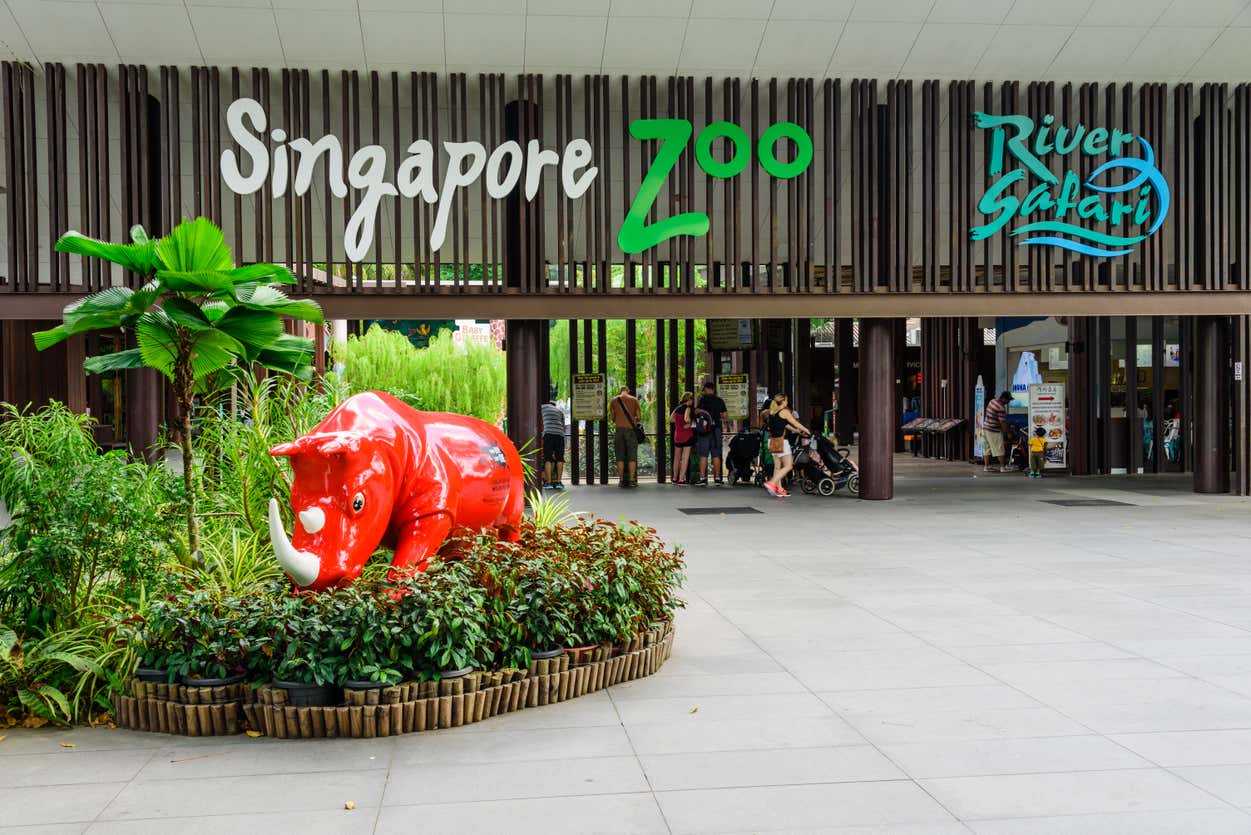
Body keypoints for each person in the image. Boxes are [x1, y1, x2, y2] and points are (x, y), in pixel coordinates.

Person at [762, 393, 811, 498]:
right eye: (786, 400)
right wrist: (806, 429)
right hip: (782, 442)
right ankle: (772, 482)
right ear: (783, 401)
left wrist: (796, 431)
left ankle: (779, 489)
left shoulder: (772, 412)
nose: (787, 402)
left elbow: (785, 424)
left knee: (777, 466)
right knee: (789, 465)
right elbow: (794, 422)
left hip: (772, 441)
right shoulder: (784, 411)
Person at [695, 381, 727, 485]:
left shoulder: (703, 399)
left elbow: (696, 412)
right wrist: (717, 416)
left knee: (703, 455)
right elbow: (725, 415)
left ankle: (703, 478)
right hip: (716, 430)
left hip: (704, 431)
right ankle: (717, 478)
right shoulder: (719, 400)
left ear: (707, 389)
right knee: (716, 455)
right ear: (713, 389)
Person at [610, 385, 642, 489]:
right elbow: (639, 417)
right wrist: (633, 419)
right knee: (632, 456)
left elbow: (612, 418)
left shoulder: (614, 401)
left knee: (620, 456)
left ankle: (621, 481)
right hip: (631, 431)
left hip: (619, 431)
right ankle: (632, 481)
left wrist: (618, 418)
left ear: (620, 391)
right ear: (628, 391)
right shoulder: (634, 400)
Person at [981, 390, 1012, 473]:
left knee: (986, 449)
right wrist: (1008, 433)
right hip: (993, 430)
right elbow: (1003, 422)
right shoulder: (1001, 408)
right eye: (1008, 400)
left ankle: (986, 467)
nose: (1008, 402)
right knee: (999, 449)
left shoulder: (992, 401)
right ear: (1004, 399)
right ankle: (1002, 467)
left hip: (985, 428)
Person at [540, 398, 566, 490]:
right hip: (560, 435)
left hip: (549, 433)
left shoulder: (541, 408)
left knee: (548, 458)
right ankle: (559, 482)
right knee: (560, 459)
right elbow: (563, 426)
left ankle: (549, 483)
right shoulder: (559, 411)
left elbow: (540, 423)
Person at [670, 391, 695, 485]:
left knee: (676, 458)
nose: (692, 401)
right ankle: (681, 479)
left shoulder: (677, 408)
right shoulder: (687, 408)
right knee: (685, 458)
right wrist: (690, 423)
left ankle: (674, 478)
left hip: (677, 436)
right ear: (689, 400)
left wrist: (679, 423)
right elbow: (686, 419)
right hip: (687, 436)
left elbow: (671, 419)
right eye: (692, 399)